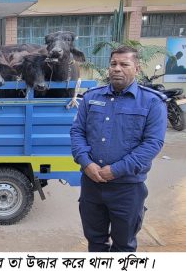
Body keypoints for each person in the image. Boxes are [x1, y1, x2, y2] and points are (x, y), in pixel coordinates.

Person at [70, 46, 167, 252]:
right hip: (92, 186)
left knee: (124, 245)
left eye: (124, 64)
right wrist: (86, 163)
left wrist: (116, 170)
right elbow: (77, 132)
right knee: (95, 242)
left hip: (127, 189)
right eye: (113, 64)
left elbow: (152, 144)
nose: (117, 69)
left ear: (137, 69)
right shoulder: (91, 98)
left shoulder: (152, 102)